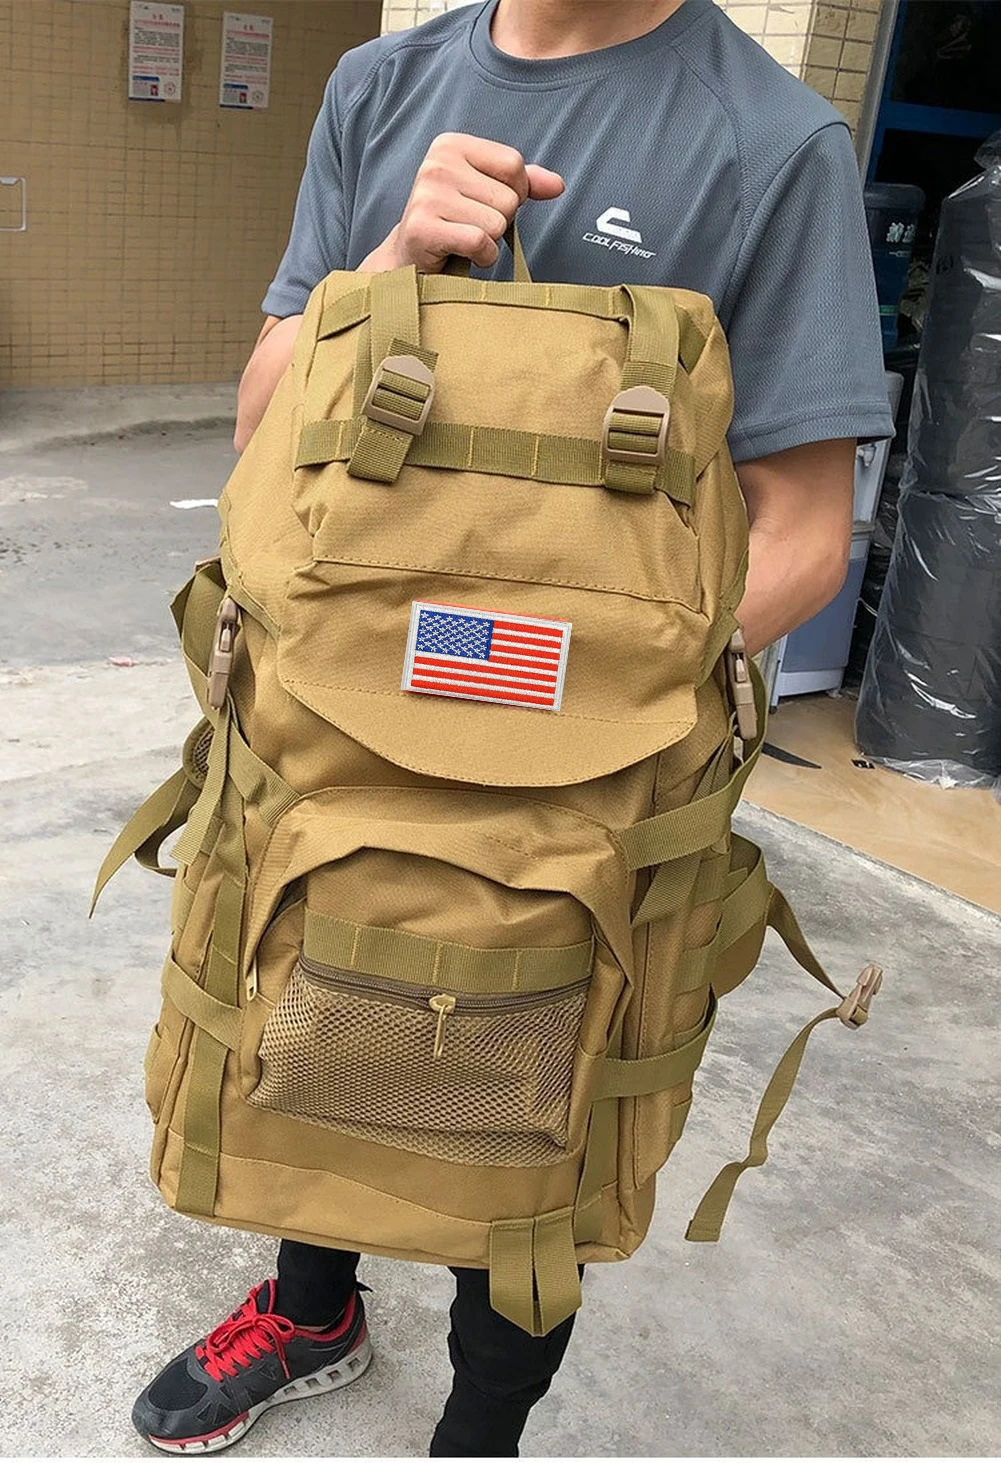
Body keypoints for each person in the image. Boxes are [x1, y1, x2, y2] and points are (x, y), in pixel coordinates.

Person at [132, 0, 894, 1455]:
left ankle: (482, 1428)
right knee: (316, 987)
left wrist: (543, 691)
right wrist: (388, 268)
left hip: (589, 771)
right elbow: (260, 428)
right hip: (338, 728)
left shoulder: (770, 141)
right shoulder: (380, 86)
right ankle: (313, 1311)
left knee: (541, 1079)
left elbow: (803, 533)